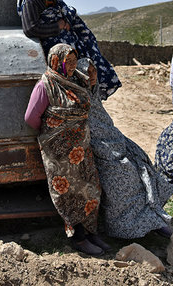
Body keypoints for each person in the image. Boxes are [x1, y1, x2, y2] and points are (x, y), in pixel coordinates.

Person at [24, 43, 110, 256]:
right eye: (67, 61)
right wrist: (55, 134)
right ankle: (79, 238)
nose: (72, 65)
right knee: (69, 193)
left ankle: (91, 232)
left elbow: (91, 96)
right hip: (59, 152)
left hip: (81, 148)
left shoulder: (77, 80)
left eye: (74, 61)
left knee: (90, 187)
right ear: (56, 61)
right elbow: (31, 118)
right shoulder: (46, 85)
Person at [76, 58, 173, 238]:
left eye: (93, 72)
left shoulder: (94, 95)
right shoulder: (77, 98)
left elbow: (105, 124)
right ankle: (127, 226)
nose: (91, 76)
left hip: (114, 142)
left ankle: (151, 218)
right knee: (126, 174)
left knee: (143, 164)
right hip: (101, 148)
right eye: (87, 72)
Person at [17, 0, 121, 99]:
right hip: (57, 53)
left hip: (70, 47)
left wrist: (67, 20)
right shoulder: (31, 1)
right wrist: (57, 26)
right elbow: (30, 29)